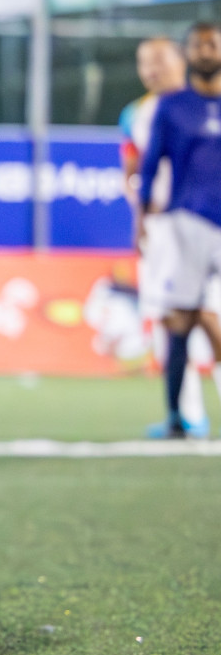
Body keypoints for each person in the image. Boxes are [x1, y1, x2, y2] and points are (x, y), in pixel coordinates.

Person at [120, 37, 211, 437]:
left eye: (159, 60)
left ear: (181, 59)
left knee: (209, 315)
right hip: (162, 230)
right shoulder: (135, 113)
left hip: (204, 226)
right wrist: (139, 213)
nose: (150, 69)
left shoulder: (204, 102)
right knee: (168, 320)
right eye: (143, 63)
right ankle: (186, 416)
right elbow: (131, 169)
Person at [139, 21, 221, 439]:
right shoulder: (172, 107)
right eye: (199, 45)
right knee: (181, 320)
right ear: (189, 53)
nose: (206, 50)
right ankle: (177, 418)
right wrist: (141, 219)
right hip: (188, 223)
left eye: (212, 44)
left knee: (212, 316)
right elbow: (149, 165)